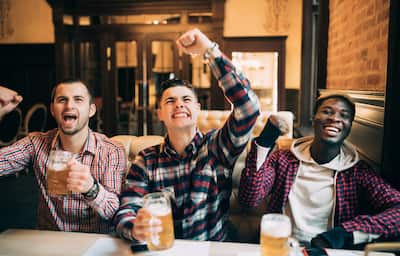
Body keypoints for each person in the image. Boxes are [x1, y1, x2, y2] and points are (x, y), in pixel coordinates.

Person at [114, 28, 260, 242]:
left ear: (198, 109)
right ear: (160, 114)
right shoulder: (146, 160)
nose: (179, 104)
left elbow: (248, 109)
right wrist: (135, 227)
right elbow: (127, 209)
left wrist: (209, 51)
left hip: (211, 250)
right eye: (170, 101)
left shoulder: (217, 147)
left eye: (186, 99)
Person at [239, 94, 400, 250]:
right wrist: (266, 139)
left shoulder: (357, 172)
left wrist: (345, 234)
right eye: (327, 112)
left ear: (349, 126)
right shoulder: (283, 159)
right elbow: (249, 198)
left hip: (327, 251)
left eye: (343, 115)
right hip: (279, 248)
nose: (334, 118)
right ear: (314, 118)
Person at [0, 79, 127, 234]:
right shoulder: (36, 143)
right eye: (62, 100)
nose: (69, 106)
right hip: (50, 242)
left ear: (91, 110)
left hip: (95, 243)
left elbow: (115, 212)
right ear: (53, 109)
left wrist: (91, 188)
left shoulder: (111, 151)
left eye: (78, 99)